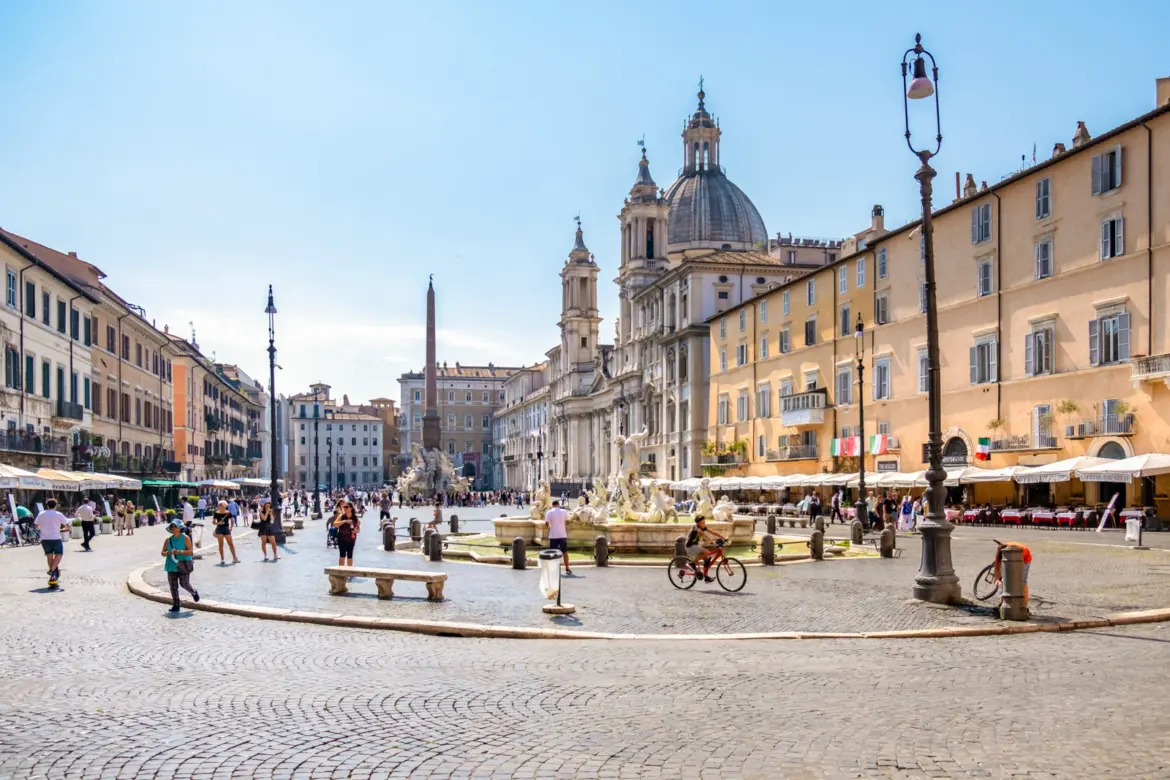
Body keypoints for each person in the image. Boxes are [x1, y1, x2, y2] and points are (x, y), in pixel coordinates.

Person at [161, 519, 199, 612]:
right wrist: (168, 553)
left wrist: (180, 552)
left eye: (175, 526)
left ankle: (193, 592)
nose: (173, 528)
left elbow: (190, 551)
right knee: (173, 586)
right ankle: (176, 604)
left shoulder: (185, 538)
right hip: (171, 564)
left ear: (180, 528)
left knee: (184, 583)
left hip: (183, 564)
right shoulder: (168, 540)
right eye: (172, 526)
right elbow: (162, 552)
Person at [35, 499, 70, 585]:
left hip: (44, 538)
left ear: (47, 505)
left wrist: (42, 529)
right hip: (55, 537)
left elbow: (36, 526)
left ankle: (53, 574)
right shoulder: (58, 514)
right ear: (56, 505)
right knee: (59, 554)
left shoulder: (41, 514)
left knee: (49, 556)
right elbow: (67, 525)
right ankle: (52, 570)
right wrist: (62, 529)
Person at [685, 515, 725, 583]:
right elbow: (705, 536)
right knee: (706, 552)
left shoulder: (702, 527)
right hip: (690, 546)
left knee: (707, 558)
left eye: (704, 522)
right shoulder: (697, 529)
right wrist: (713, 542)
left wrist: (723, 537)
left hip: (695, 546)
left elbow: (713, 532)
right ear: (698, 523)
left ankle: (706, 577)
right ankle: (691, 563)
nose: (704, 524)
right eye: (702, 523)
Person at [544, 499, 572, 575]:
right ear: (558, 505)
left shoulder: (549, 512)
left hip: (553, 535)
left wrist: (550, 526)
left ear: (552, 505)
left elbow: (546, 523)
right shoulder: (564, 511)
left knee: (553, 553)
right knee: (565, 552)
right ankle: (567, 568)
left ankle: (554, 569)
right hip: (562, 535)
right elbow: (567, 521)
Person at [211, 500, 239, 564]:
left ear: (225, 506)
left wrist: (231, 527)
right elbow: (213, 522)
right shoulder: (216, 513)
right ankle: (222, 559)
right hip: (219, 529)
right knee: (221, 545)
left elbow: (232, 520)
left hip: (226, 529)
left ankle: (234, 558)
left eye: (221, 505)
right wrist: (219, 523)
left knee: (231, 544)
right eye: (219, 505)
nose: (220, 506)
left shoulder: (228, 513)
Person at [333, 501, 360, 567]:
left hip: (351, 538)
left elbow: (358, 529)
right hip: (342, 538)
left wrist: (356, 531)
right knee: (342, 555)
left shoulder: (355, 518)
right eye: (344, 507)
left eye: (346, 507)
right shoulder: (341, 516)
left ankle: (349, 571)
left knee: (350, 555)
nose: (344, 508)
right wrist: (344, 521)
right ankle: (341, 572)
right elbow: (335, 524)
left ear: (351, 508)